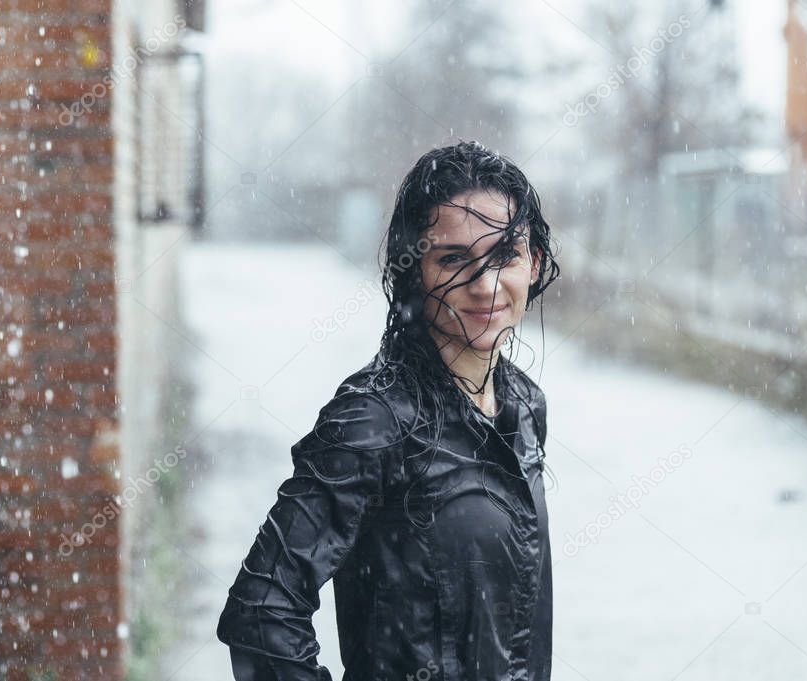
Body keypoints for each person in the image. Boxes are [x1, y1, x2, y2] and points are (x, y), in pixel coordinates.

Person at [216, 140, 561, 681]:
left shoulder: (523, 406)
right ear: (413, 272)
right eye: (453, 259)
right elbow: (261, 612)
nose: (485, 285)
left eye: (504, 256)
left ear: (533, 262)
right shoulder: (372, 419)